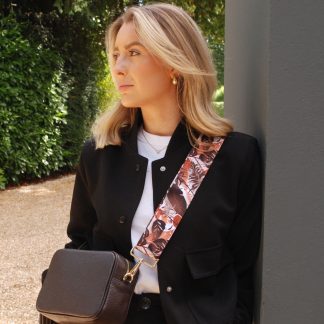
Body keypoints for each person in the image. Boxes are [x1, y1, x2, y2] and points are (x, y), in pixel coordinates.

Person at [62, 3, 262, 324]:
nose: (118, 67)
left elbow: (243, 263)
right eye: (115, 55)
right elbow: (80, 242)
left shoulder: (234, 156)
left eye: (134, 52)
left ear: (174, 63)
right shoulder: (99, 154)